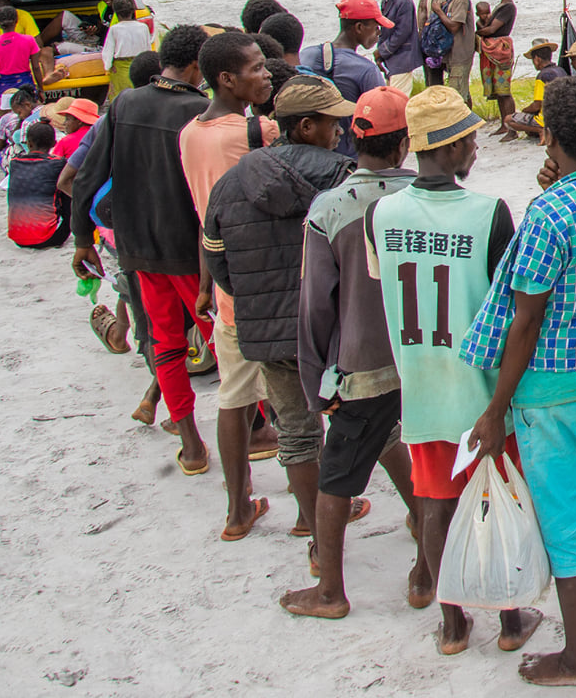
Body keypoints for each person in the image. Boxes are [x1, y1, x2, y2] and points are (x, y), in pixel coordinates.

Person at [462, 77, 576, 686]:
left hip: (553, 391)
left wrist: (496, 408)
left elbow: (525, 319)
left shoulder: (547, 212)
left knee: (566, 522)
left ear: (547, 135)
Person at [365, 85, 535, 656]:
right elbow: (511, 304)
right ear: (452, 146)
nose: (476, 152)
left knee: (433, 501)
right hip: (480, 389)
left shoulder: (381, 213)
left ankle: (453, 624)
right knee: (496, 498)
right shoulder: (487, 213)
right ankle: (511, 621)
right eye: (470, 141)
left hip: (421, 380)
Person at [281, 86, 425, 621]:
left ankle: (330, 592)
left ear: (351, 137)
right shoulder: (429, 196)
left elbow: (316, 307)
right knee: (426, 464)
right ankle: (426, 573)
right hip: (424, 363)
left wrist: (317, 380)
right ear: (405, 144)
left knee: (338, 479)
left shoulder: (331, 209)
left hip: (361, 367)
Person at [201, 75, 357, 545]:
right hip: (334, 330)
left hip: (268, 333)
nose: (340, 133)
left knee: (294, 432)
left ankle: (315, 532)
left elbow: (217, 259)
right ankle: (408, 514)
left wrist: (257, 300)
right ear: (307, 126)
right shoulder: (342, 178)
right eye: (333, 124)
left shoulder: (232, 182)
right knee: (363, 423)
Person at [70, 24, 213, 474]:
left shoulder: (125, 104)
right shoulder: (200, 110)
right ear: (197, 66)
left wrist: (81, 239)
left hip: (137, 248)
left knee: (165, 343)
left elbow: (87, 178)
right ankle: (254, 428)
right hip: (186, 249)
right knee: (221, 340)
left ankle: (190, 443)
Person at [179, 30, 285, 534]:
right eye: (257, 68)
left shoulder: (191, 134)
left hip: (226, 285)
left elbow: (207, 217)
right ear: (227, 79)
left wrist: (204, 283)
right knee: (297, 397)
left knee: (234, 397)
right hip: (270, 282)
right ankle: (320, 507)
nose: (266, 74)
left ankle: (238, 506)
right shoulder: (254, 134)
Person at [300, 0, 389, 158]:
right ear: (359, 27)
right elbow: (382, 118)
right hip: (347, 158)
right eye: (376, 27)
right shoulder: (366, 70)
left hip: (308, 154)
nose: (379, 33)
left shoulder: (306, 55)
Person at [6, 120, 70, 248]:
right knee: (66, 187)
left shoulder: (15, 163)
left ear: (28, 143)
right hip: (51, 237)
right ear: (54, 143)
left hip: (17, 238)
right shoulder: (58, 163)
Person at [366, 0, 420, 91]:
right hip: (392, 58)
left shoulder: (402, 0)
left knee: (398, 99)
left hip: (402, 58)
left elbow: (402, 32)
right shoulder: (387, 0)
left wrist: (383, 51)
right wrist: (381, 53)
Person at [504, 36, 566, 141]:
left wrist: (525, 110)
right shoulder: (560, 70)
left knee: (508, 120)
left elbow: (537, 105)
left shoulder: (542, 76)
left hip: (548, 118)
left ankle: (541, 130)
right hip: (563, 117)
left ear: (537, 59)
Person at [477, 0, 520, 126]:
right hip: (496, 48)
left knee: (504, 91)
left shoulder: (507, 6)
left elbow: (492, 29)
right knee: (499, 91)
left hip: (500, 49)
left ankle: (510, 126)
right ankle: (505, 124)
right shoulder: (502, 5)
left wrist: (476, 32)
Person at [0, 0, 45, 104]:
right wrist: (41, 89)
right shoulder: (29, 40)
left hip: (5, 85)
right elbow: (36, 68)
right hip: (25, 83)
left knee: (6, 115)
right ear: (16, 20)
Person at [101, 0, 155, 104]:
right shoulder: (143, 27)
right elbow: (148, 48)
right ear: (132, 11)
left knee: (120, 97)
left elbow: (108, 51)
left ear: (116, 12)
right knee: (139, 94)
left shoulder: (114, 29)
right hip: (139, 64)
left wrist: (107, 67)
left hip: (120, 68)